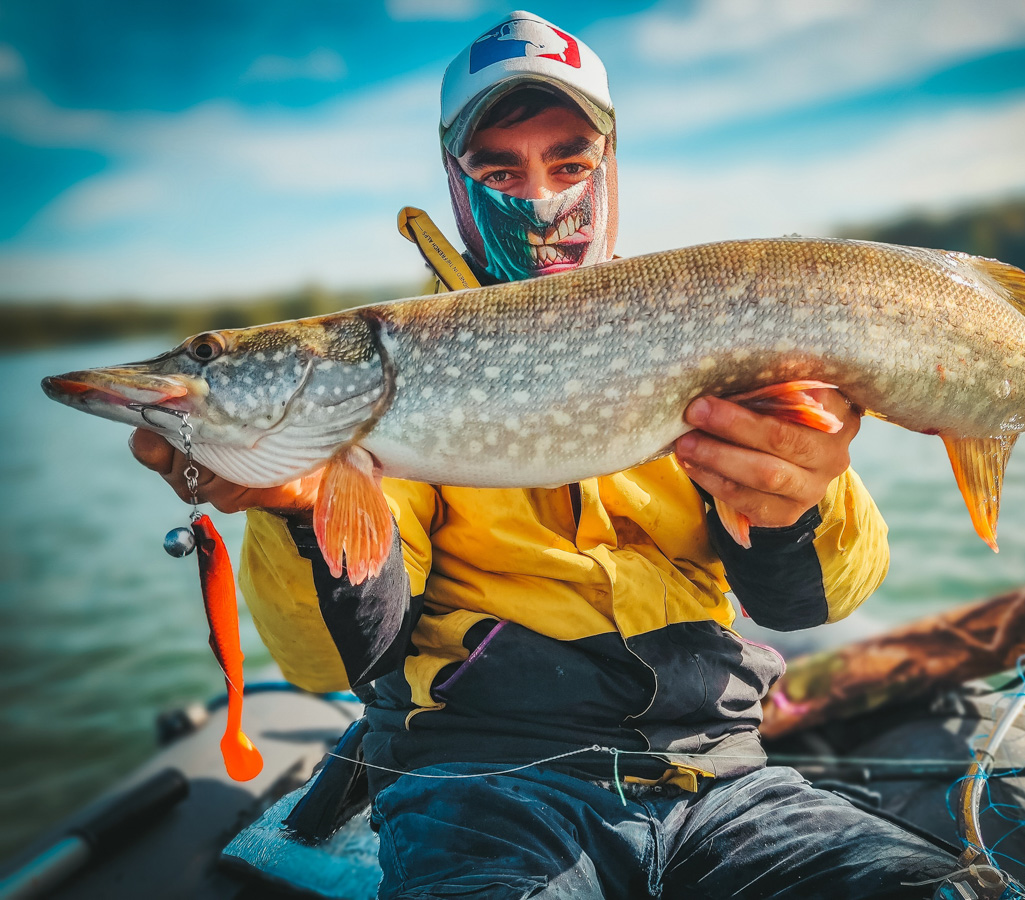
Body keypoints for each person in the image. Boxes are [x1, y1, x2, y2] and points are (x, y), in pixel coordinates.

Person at [132, 11, 957, 898]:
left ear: (610, 167)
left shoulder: (712, 322)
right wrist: (298, 511)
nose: (540, 200)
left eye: (569, 164)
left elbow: (811, 601)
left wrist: (798, 501)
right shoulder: (391, 371)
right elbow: (334, 664)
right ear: (457, 183)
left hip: (715, 774)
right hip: (484, 784)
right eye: (499, 168)